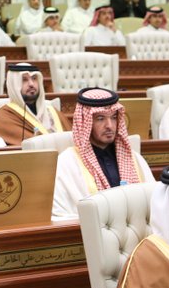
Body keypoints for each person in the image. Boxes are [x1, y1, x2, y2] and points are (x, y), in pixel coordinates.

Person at [51, 88, 154, 220]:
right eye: (100, 119)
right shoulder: (67, 163)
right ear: (86, 122)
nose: (109, 125)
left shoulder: (134, 158)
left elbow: (154, 202)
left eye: (114, 117)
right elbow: (60, 216)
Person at [0, 63, 70, 145]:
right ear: (14, 85)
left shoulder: (52, 112)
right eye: (24, 80)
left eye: (34, 78)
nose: (31, 84)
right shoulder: (1, 118)